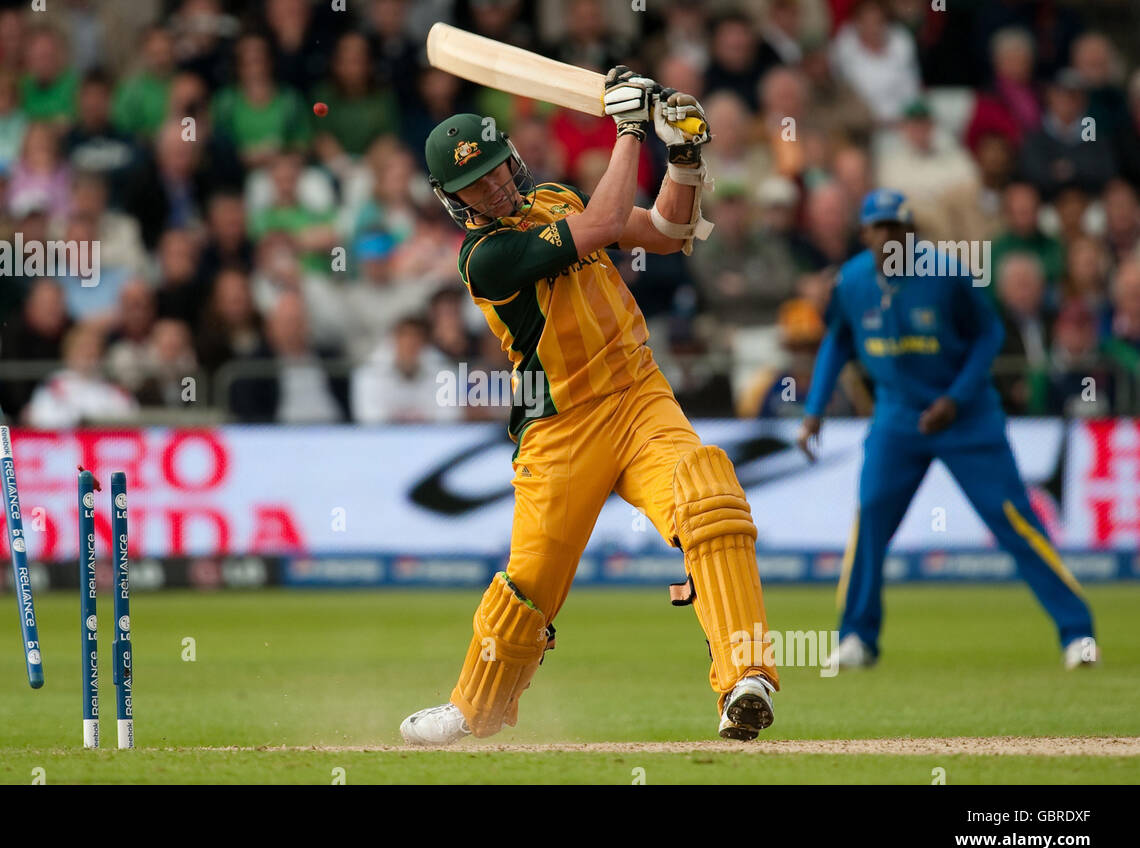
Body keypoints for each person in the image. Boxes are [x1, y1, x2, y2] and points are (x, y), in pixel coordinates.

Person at [401, 68, 780, 747]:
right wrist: (630, 128)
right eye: (474, 185)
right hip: (561, 429)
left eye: (494, 170)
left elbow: (666, 231)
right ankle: (473, 710)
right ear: (454, 201)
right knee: (528, 590)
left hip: (639, 397)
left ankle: (745, 678)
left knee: (710, 495)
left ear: (511, 158)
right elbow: (604, 222)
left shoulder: (554, 195)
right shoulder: (483, 257)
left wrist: (685, 157)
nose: (493, 186)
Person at [797, 189, 1098, 671]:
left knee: (1015, 520)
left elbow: (989, 335)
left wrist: (954, 399)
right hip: (897, 418)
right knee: (870, 518)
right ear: (865, 234)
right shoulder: (852, 282)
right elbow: (838, 340)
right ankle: (857, 637)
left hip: (967, 418)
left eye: (899, 228)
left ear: (910, 232)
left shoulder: (947, 272)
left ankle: (1078, 633)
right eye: (881, 228)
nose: (890, 237)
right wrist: (813, 410)